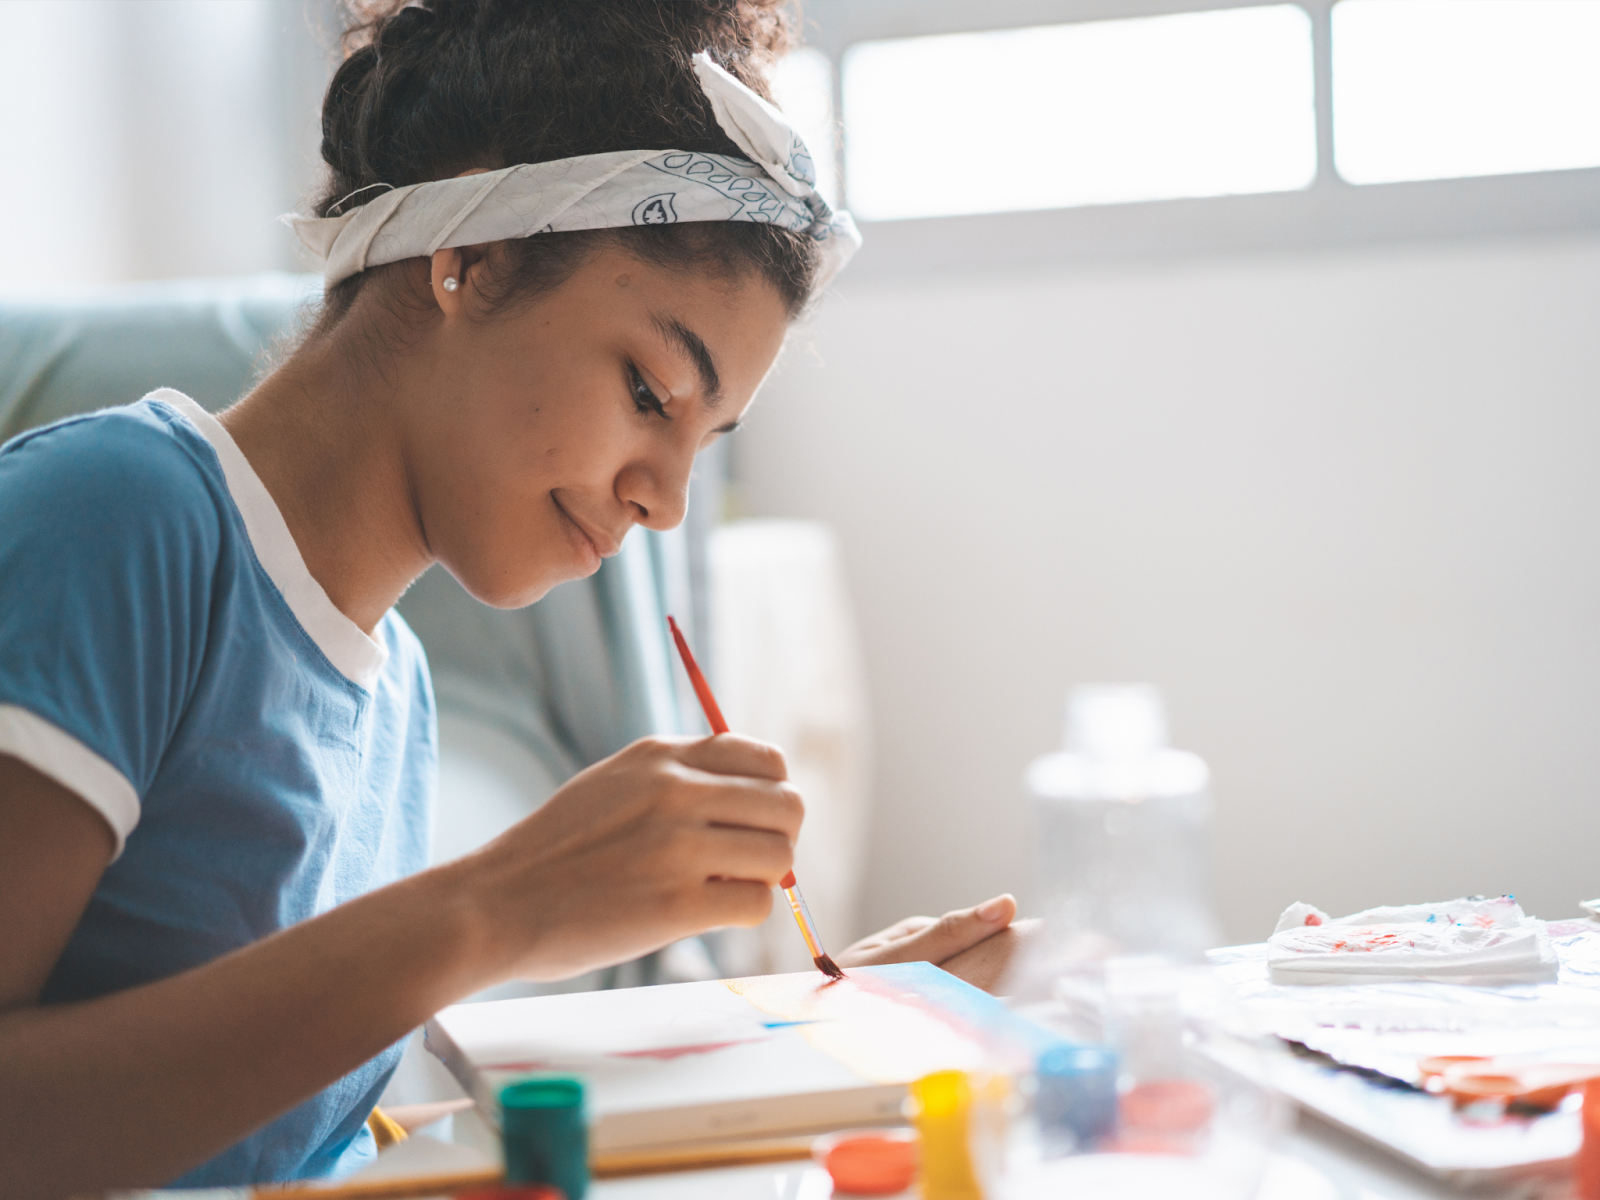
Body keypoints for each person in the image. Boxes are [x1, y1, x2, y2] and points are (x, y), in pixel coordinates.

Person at [0, 3, 1022, 1195]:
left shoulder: (395, 691)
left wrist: (798, 1024)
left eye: (707, 439)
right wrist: (492, 910)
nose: (665, 502)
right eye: (650, 390)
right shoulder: (117, 515)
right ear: (472, 258)